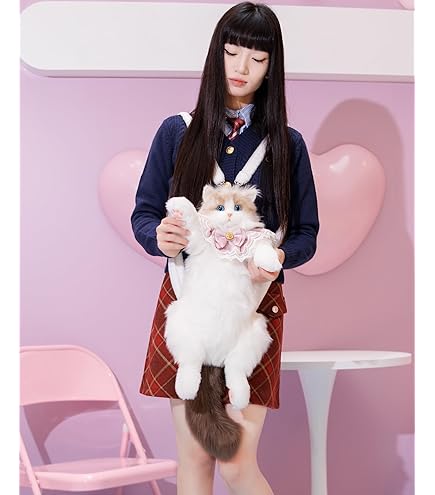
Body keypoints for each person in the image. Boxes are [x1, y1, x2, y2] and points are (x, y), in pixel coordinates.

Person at [131, 2, 319, 494]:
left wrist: (278, 258)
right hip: (186, 300)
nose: (241, 68)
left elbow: (306, 234)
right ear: (216, 54)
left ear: (272, 66)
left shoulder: (288, 145)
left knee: (234, 460)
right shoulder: (177, 131)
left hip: (253, 311)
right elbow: (144, 213)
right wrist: (158, 236)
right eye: (232, 53)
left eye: (257, 58)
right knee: (194, 459)